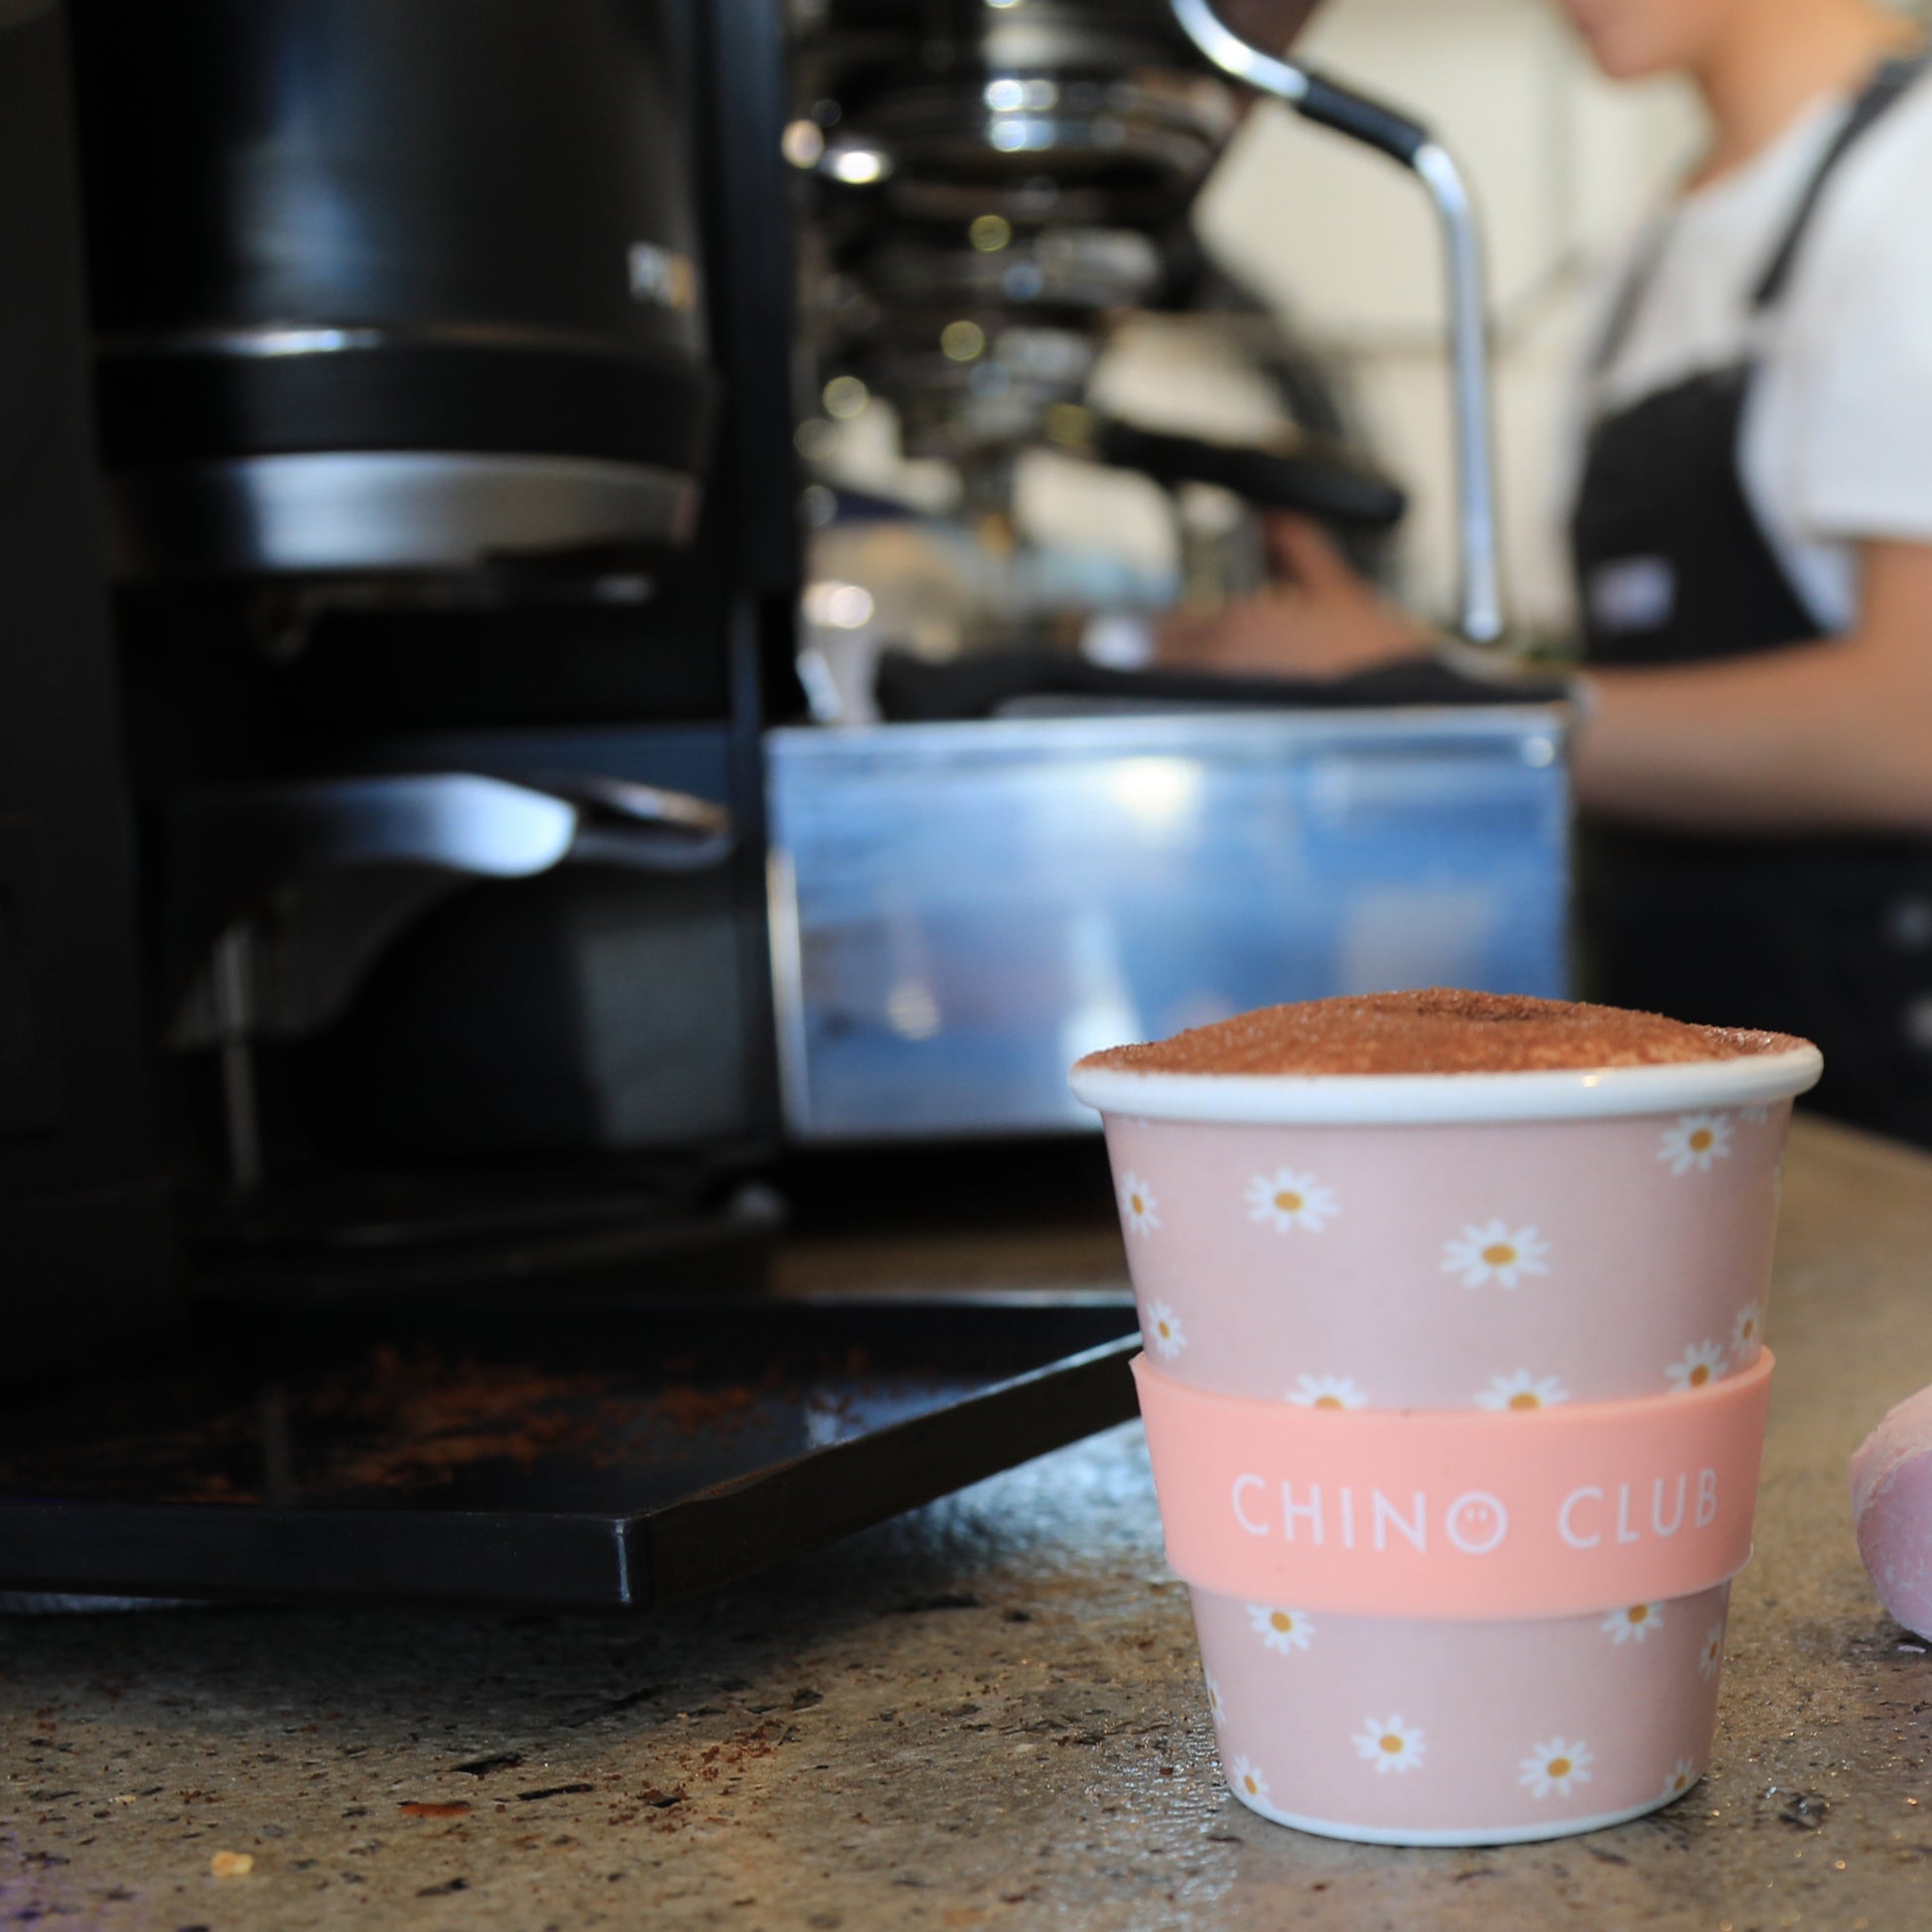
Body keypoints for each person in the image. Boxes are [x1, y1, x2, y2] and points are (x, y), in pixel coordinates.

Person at [1163, 0, 1932, 1145]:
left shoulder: (1908, 180)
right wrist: (1407, 673)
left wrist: (1436, 693)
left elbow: (1906, 730)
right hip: (1702, 1063)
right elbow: (1612, 676)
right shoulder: (1647, 248)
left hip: (1885, 1081)